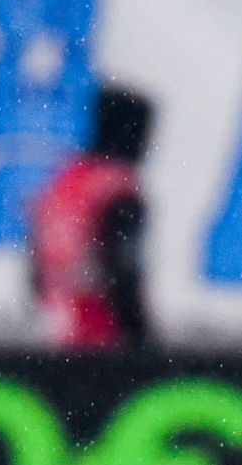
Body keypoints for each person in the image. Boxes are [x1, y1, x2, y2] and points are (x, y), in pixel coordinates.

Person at [31, 86, 152, 350]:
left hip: (56, 323)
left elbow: (35, 264)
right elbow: (123, 265)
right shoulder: (117, 186)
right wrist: (141, 337)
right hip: (102, 326)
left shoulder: (64, 181)